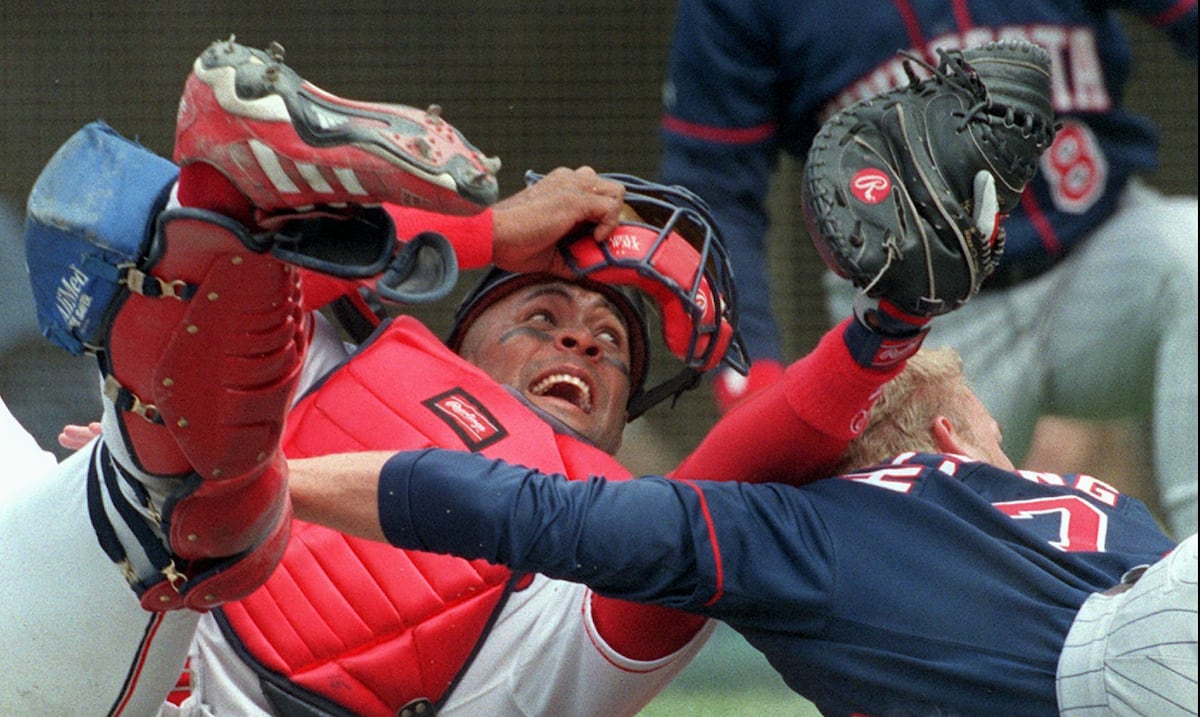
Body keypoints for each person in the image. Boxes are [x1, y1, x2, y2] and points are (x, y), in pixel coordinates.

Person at [0, 37, 934, 717]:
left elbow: (735, 473)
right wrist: (492, 233)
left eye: (611, 345)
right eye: (543, 319)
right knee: (175, 248)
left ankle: (168, 474)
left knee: (177, 479)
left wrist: (891, 324)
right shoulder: (352, 349)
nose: (582, 345)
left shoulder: (620, 550)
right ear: (460, 335)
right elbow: (184, 259)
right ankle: (220, 232)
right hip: (95, 633)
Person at [286, 345, 1196, 717]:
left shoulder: (813, 526)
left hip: (1129, 660)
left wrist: (272, 483)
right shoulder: (1109, 510)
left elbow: (523, 508)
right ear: (953, 437)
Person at [657, 0, 1199, 539]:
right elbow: (713, 189)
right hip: (915, 317)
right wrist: (754, 389)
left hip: (1102, 260)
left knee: (1191, 252)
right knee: (918, 567)